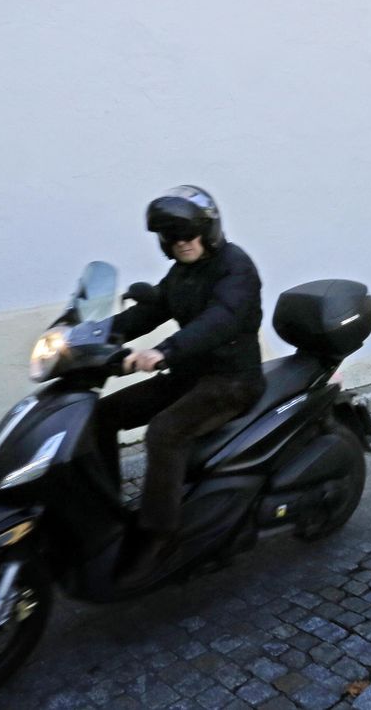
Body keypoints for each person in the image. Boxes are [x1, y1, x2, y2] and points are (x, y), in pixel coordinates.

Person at [98, 185, 267, 582]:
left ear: (207, 232)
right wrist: (95, 335)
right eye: (172, 236)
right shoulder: (181, 272)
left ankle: (161, 535)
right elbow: (153, 308)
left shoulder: (236, 268)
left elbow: (220, 319)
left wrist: (164, 351)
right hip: (188, 375)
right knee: (103, 414)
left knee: (165, 432)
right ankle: (106, 508)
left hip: (231, 382)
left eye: (188, 234)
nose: (182, 242)